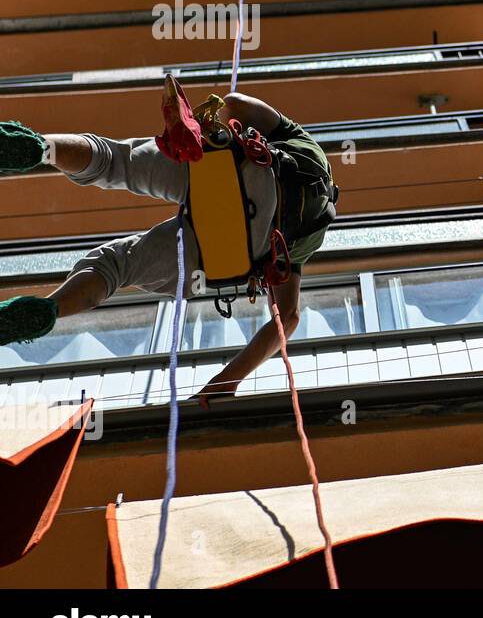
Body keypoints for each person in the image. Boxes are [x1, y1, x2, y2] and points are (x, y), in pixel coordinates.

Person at [0, 89, 336, 405]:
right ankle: (47, 311)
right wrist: (226, 381)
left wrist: (214, 118)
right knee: (117, 265)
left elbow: (235, 103)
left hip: (218, 170)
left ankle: (37, 148)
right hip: (223, 248)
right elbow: (287, 319)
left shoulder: (309, 149)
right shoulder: (309, 239)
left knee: (116, 162)